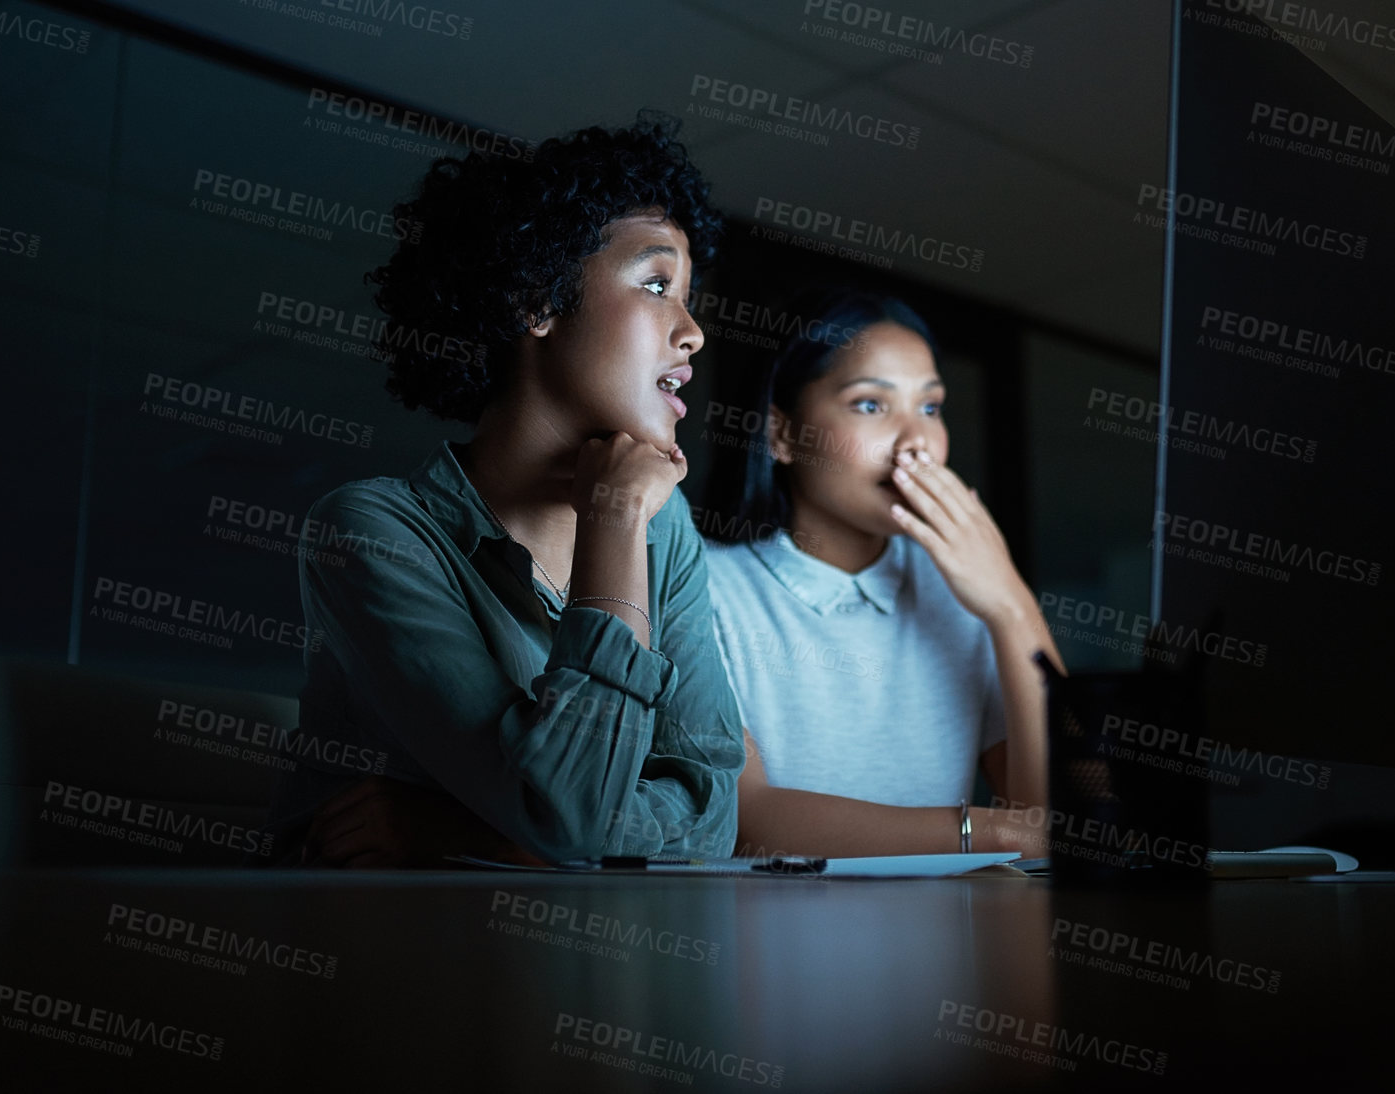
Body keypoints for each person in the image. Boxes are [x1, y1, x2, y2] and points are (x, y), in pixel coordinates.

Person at [270, 116, 745, 867]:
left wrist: (470, 831)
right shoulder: (368, 530)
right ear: (538, 299)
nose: (692, 333)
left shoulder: (666, 525)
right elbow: (572, 817)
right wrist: (613, 518)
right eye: (657, 285)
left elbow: (712, 820)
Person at [701, 288, 1061, 857]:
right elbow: (746, 818)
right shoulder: (702, 584)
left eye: (931, 407)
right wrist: (996, 832)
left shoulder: (959, 591)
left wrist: (1010, 604)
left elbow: (1060, 807)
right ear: (782, 434)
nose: (917, 442)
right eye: (871, 404)